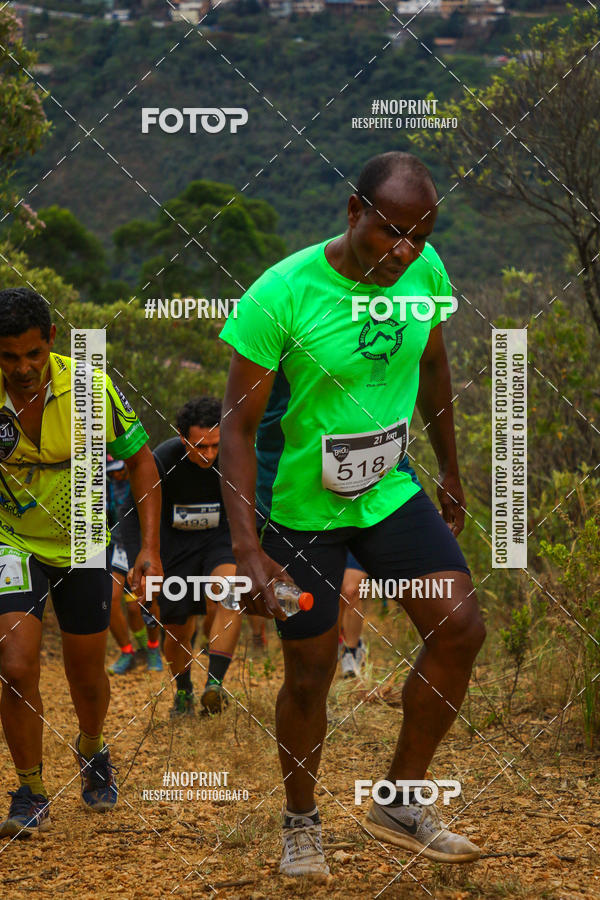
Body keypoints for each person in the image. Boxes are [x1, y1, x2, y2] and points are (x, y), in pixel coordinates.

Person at [219, 152, 486, 878]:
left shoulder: (424, 275)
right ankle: (301, 825)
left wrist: (451, 468)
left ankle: (399, 800)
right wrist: (246, 548)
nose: (404, 252)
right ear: (353, 211)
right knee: (311, 672)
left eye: (420, 237)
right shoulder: (281, 294)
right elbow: (236, 429)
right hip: (300, 507)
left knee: (459, 628)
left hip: (385, 489)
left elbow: (433, 368)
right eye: (391, 232)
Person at [0, 288, 162, 838]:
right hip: (11, 539)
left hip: (84, 538)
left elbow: (141, 460)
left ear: (50, 341)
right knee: (17, 667)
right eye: (8, 357)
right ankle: (29, 790)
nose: (22, 368)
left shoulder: (89, 384)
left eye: (32, 354)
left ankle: (93, 748)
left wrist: (148, 548)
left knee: (86, 675)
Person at [146, 397, 245, 717]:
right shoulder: (164, 457)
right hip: (175, 546)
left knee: (231, 591)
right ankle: (184, 691)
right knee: (176, 627)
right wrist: (146, 556)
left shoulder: (234, 454)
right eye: (200, 446)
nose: (209, 455)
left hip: (219, 540)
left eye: (215, 445)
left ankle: (214, 686)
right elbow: (139, 509)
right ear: (182, 435)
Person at [106, 458, 162, 675]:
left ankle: (152, 648)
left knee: (140, 604)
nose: (117, 475)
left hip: (142, 547)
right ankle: (128, 651)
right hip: (118, 547)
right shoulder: (107, 484)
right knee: (109, 599)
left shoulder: (143, 478)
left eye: (120, 471)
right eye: (113, 472)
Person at [338, 553, 368, 679]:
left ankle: (351, 650)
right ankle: (340, 640)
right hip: (328, 537)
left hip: (360, 538)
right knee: (336, 593)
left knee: (350, 590)